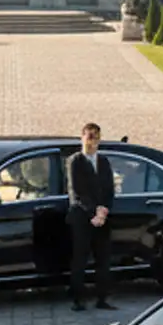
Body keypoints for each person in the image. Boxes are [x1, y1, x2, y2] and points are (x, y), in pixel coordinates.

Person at [66, 122, 116, 313]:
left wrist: (104, 211)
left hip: (102, 218)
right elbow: (77, 191)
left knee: (103, 259)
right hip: (82, 217)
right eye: (89, 136)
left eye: (96, 136)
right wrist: (94, 211)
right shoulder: (75, 161)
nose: (92, 140)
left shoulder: (104, 161)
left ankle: (102, 298)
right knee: (80, 259)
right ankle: (78, 299)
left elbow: (110, 189)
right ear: (82, 138)